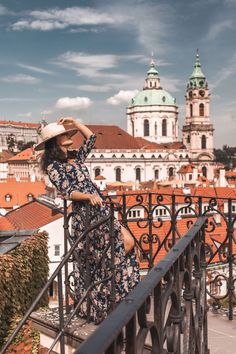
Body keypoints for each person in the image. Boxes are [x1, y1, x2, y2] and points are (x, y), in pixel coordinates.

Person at [35, 117, 140, 324]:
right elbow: (67, 192)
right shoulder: (53, 167)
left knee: (125, 244)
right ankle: (103, 304)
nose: (68, 136)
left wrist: (75, 121)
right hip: (86, 214)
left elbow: (91, 138)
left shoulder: (75, 157)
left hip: (100, 208)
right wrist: (88, 197)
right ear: (56, 141)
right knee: (103, 258)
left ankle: (116, 298)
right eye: (65, 134)